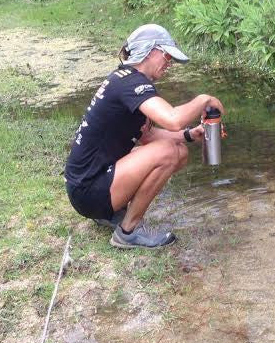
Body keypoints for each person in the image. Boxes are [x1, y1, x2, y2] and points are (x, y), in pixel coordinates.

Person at [65, 24, 224, 249]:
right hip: (89, 191)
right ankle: (128, 231)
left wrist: (188, 135)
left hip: (88, 185)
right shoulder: (131, 83)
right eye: (167, 56)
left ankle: (113, 212)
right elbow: (172, 119)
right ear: (149, 51)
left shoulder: (124, 79)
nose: (169, 63)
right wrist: (204, 100)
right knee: (169, 152)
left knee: (179, 151)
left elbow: (147, 136)